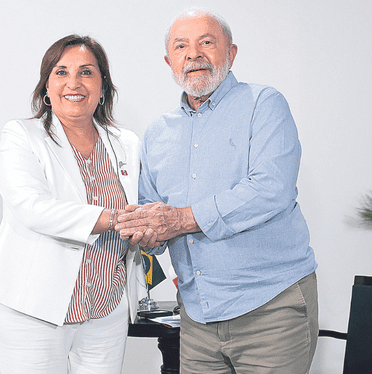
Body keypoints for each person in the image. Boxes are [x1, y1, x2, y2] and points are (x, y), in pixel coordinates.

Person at [115, 9, 319, 373]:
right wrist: (143, 230)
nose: (193, 54)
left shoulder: (264, 104)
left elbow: (271, 189)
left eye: (206, 42)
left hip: (271, 308)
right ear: (169, 60)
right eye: (182, 46)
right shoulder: (157, 133)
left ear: (232, 52)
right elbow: (153, 218)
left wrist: (179, 220)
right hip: (196, 317)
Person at [0, 34, 146, 374]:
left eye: (86, 72)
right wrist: (114, 219)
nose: (74, 82)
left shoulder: (126, 142)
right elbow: (30, 207)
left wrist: (149, 226)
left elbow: (142, 208)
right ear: (46, 87)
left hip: (106, 309)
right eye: (61, 72)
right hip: (34, 311)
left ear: (103, 88)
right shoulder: (20, 136)